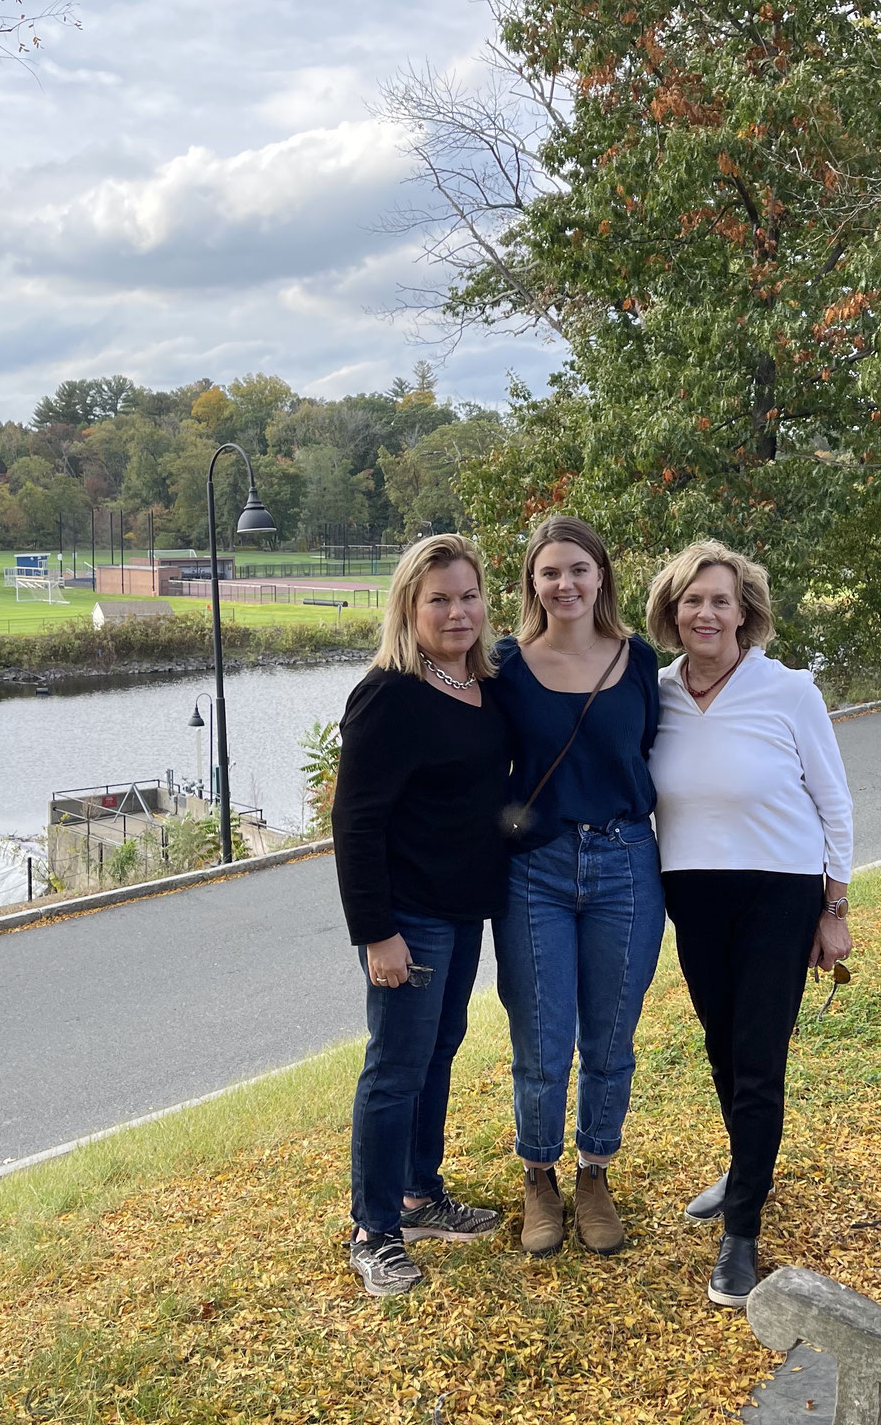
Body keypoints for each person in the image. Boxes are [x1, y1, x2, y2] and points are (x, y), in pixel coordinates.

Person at [644, 540, 854, 1307]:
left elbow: (834, 802)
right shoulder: (655, 691)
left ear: (746, 613)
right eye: (692, 600)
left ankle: (742, 1232)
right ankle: (746, 1166)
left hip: (781, 891)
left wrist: (835, 911)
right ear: (673, 611)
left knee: (759, 1057)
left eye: (721, 600)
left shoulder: (789, 690)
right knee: (723, 1049)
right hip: (692, 892)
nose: (706, 612)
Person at [333, 534, 510, 1297]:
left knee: (438, 1051)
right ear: (410, 606)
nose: (457, 610)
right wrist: (377, 932)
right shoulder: (389, 694)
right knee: (395, 1068)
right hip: (408, 915)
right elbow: (356, 822)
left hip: (463, 910)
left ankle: (418, 1196)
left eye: (467, 595)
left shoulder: (484, 684)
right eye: (438, 598)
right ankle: (373, 1230)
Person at [490, 515, 663, 1258]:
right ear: (532, 582)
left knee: (611, 1037)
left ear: (602, 578)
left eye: (579, 570)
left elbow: (650, 749)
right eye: (550, 572)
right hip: (537, 871)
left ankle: (595, 1171)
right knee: (542, 1040)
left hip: (626, 863)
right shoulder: (505, 666)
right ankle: (539, 1177)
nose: (565, 584)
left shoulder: (640, 659)